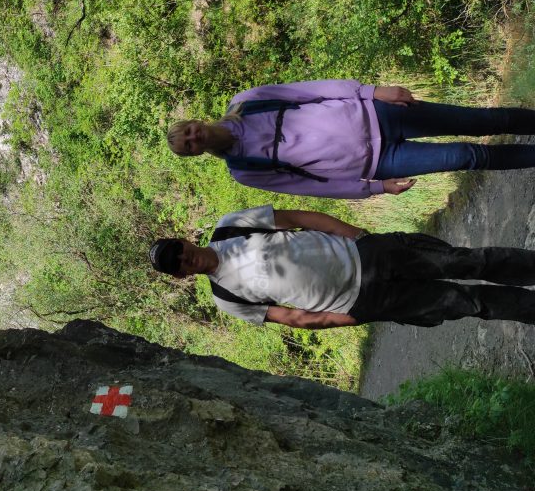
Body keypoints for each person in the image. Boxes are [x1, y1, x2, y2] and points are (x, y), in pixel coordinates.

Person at [148, 204, 535, 329]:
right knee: (465, 303)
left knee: (468, 261)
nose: (182, 258)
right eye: (175, 265)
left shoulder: (231, 226)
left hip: (367, 254)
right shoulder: (226, 298)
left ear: (183, 241)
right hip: (361, 301)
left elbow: (300, 218)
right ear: (181, 275)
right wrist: (351, 318)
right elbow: (293, 318)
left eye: (176, 250)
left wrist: (360, 235)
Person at [167, 79, 535, 199]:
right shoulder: (244, 170)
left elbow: (314, 90)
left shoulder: (247, 102)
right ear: (195, 154)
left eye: (188, 131)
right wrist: (374, 189)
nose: (194, 137)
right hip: (380, 162)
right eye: (189, 145)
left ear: (193, 122)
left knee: (481, 120)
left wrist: (373, 91)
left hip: (379, 113)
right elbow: (309, 186)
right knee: (468, 156)